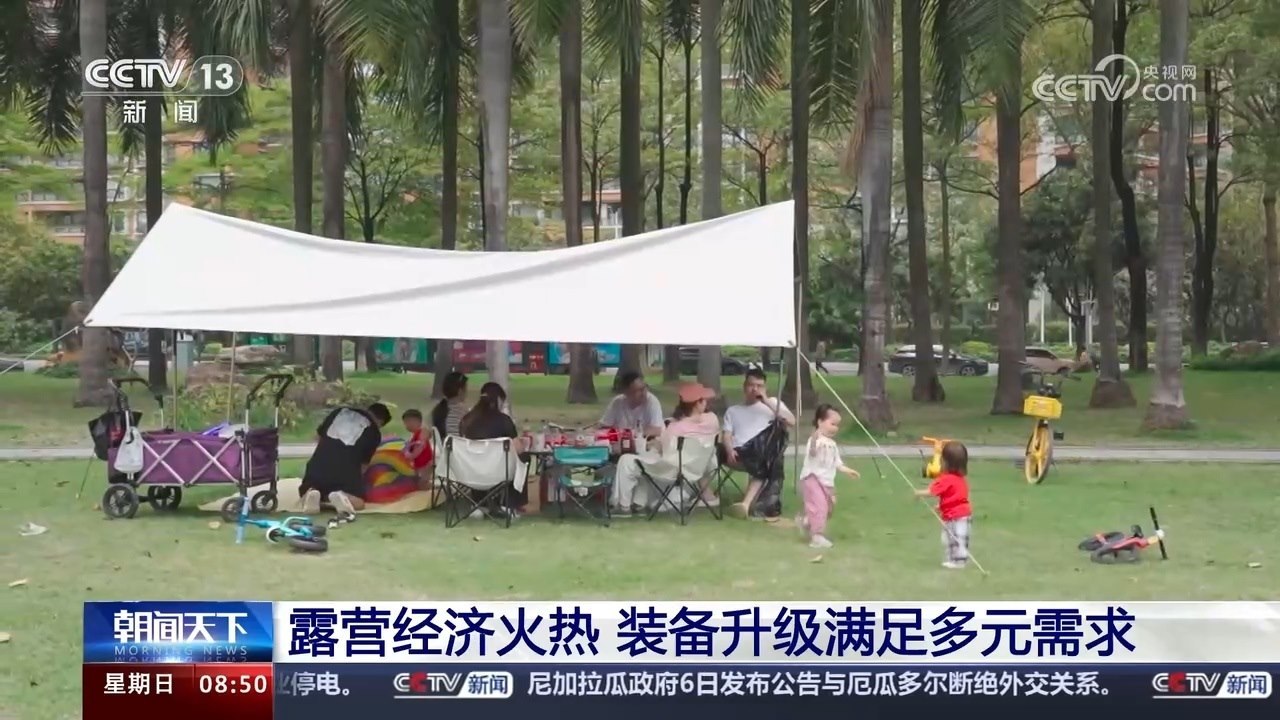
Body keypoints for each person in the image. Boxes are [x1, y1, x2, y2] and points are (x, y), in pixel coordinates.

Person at [611, 382, 720, 516]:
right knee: (644, 461)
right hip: (696, 468)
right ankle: (639, 503)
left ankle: (623, 506)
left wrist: (655, 444)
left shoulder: (675, 428)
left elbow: (666, 453)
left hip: (673, 470)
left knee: (627, 460)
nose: (706, 402)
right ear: (698, 403)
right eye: (704, 400)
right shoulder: (712, 420)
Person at [722, 368, 795, 521]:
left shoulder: (773, 404)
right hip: (740, 453)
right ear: (744, 387)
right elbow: (726, 435)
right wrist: (729, 450)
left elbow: (791, 422)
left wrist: (766, 401)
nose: (755, 389)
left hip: (763, 454)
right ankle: (752, 504)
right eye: (751, 385)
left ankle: (746, 504)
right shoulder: (733, 411)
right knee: (770, 461)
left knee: (769, 454)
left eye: (759, 386)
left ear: (765, 388)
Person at [300, 402, 392, 516]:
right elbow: (363, 466)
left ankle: (313, 494)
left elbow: (318, 438)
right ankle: (340, 497)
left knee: (307, 491)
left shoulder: (339, 412)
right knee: (359, 503)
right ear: (380, 422)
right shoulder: (374, 432)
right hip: (344, 473)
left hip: (317, 468)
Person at [459, 382, 528, 516]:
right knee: (523, 458)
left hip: (470, 471)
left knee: (480, 461)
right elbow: (518, 449)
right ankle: (508, 504)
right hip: (497, 472)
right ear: (498, 400)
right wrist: (523, 443)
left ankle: (478, 503)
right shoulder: (504, 421)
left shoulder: (467, 420)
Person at [797, 405, 860, 549]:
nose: (835, 428)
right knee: (820, 506)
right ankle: (817, 537)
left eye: (837, 425)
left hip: (827, 481)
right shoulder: (815, 440)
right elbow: (812, 453)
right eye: (832, 424)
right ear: (820, 422)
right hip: (813, 478)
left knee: (828, 508)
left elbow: (837, 462)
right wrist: (815, 440)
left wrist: (848, 470)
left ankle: (807, 522)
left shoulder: (832, 444)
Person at [914, 440, 973, 569]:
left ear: (945, 462)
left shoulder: (946, 479)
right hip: (964, 514)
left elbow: (932, 491)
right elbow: (955, 498)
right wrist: (941, 506)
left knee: (953, 538)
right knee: (960, 538)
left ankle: (958, 562)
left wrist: (919, 493)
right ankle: (955, 559)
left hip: (955, 516)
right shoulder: (961, 480)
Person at [600, 371, 664, 440]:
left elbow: (656, 430)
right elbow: (605, 427)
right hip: (623, 444)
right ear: (626, 392)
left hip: (647, 443)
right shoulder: (617, 402)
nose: (644, 393)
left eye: (644, 388)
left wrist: (630, 434)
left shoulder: (651, 401)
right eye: (638, 390)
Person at [431, 371, 469, 439]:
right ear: (460, 391)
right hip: (458, 444)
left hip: (443, 444)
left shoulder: (438, 409)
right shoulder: (461, 410)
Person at [401, 409, 433, 488]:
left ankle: (434, 487)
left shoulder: (423, 431)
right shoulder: (414, 435)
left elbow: (420, 446)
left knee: (422, 484)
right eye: (405, 423)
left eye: (408, 422)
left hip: (426, 463)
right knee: (416, 483)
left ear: (417, 421)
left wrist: (411, 456)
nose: (407, 426)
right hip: (418, 464)